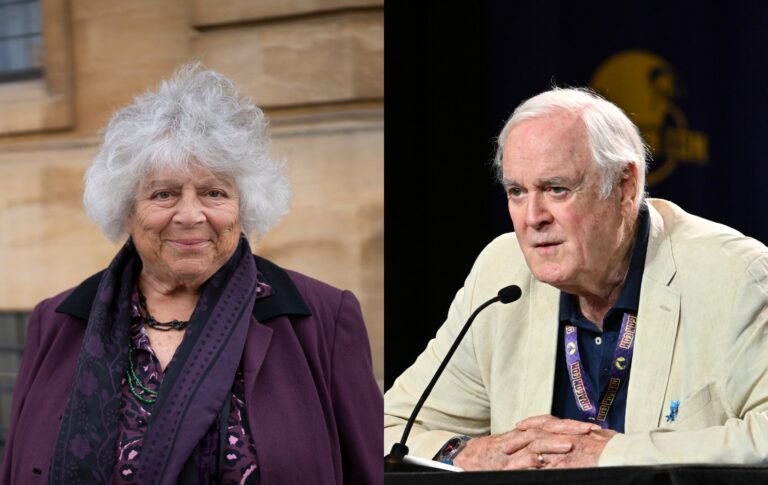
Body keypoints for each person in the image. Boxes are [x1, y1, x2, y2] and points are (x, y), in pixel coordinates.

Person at [1, 65, 382, 484]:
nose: (189, 215)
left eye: (213, 192)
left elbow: (368, 471)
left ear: (244, 207)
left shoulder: (323, 318)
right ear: (126, 210)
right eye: (163, 194)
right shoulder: (57, 321)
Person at [384, 87, 768, 469]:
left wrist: (611, 455)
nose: (533, 217)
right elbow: (386, 427)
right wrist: (470, 454)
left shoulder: (735, 275)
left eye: (556, 189)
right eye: (517, 192)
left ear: (624, 187)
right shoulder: (501, 273)